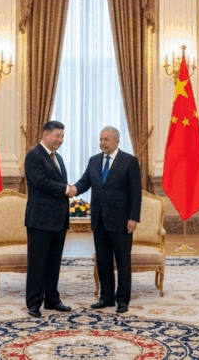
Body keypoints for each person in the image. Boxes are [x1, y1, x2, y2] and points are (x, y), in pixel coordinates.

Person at [73, 126, 142, 313]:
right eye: (101, 139)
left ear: (117, 141)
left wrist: (133, 218)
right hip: (99, 220)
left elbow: (136, 193)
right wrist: (71, 190)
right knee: (103, 261)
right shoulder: (94, 161)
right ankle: (106, 298)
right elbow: (84, 182)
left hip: (122, 221)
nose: (102, 143)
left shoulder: (129, 161)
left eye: (106, 140)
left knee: (122, 261)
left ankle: (123, 300)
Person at [23, 120, 73, 318]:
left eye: (62, 136)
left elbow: (57, 182)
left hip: (58, 219)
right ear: (45, 135)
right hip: (40, 219)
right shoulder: (34, 156)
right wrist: (65, 189)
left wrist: (66, 188)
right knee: (37, 262)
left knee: (54, 261)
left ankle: (52, 299)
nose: (60, 140)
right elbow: (40, 182)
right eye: (57, 136)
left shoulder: (57, 158)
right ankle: (34, 303)